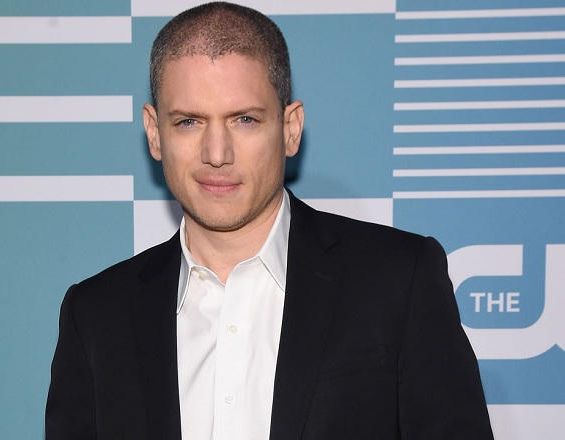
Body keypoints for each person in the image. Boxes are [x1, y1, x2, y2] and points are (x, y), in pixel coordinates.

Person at [45, 2, 494, 439]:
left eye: (244, 119)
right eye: (188, 122)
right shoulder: (96, 316)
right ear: (154, 133)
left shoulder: (399, 281)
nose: (216, 154)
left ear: (290, 128)